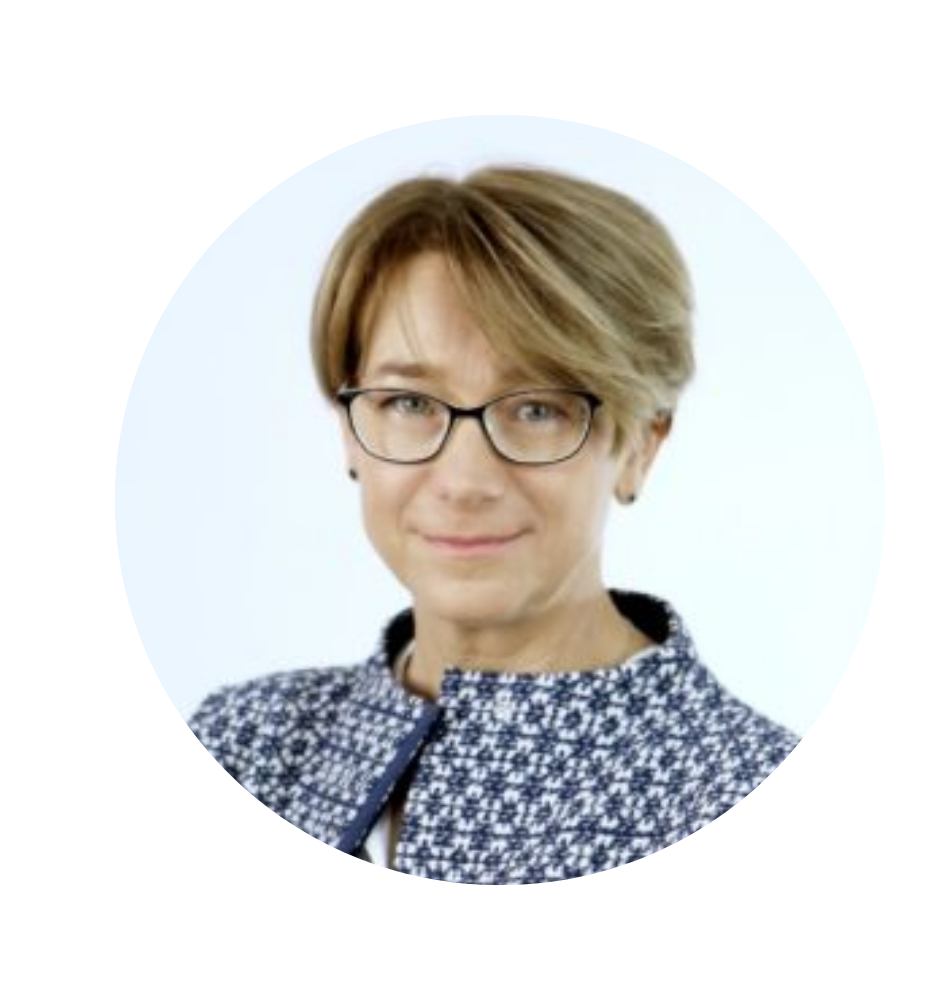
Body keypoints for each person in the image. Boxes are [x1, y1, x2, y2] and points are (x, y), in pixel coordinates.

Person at [186, 165, 800, 882]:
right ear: (350, 430)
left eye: (538, 409)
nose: (465, 481)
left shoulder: (734, 786)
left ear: (641, 445)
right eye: (410, 403)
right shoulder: (245, 747)